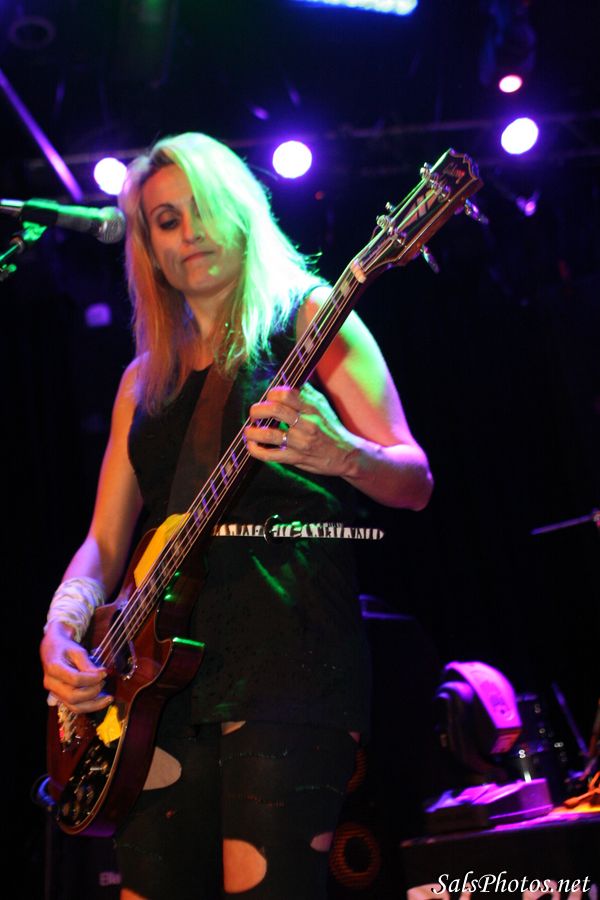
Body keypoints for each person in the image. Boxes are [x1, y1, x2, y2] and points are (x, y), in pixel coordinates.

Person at [40, 132, 433, 900]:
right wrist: (62, 626)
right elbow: (104, 542)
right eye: (166, 220)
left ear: (244, 212)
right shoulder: (140, 381)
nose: (190, 233)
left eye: (205, 209)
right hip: (153, 689)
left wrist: (341, 453)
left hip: (286, 657)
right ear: (149, 251)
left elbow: (413, 479)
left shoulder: (312, 315)